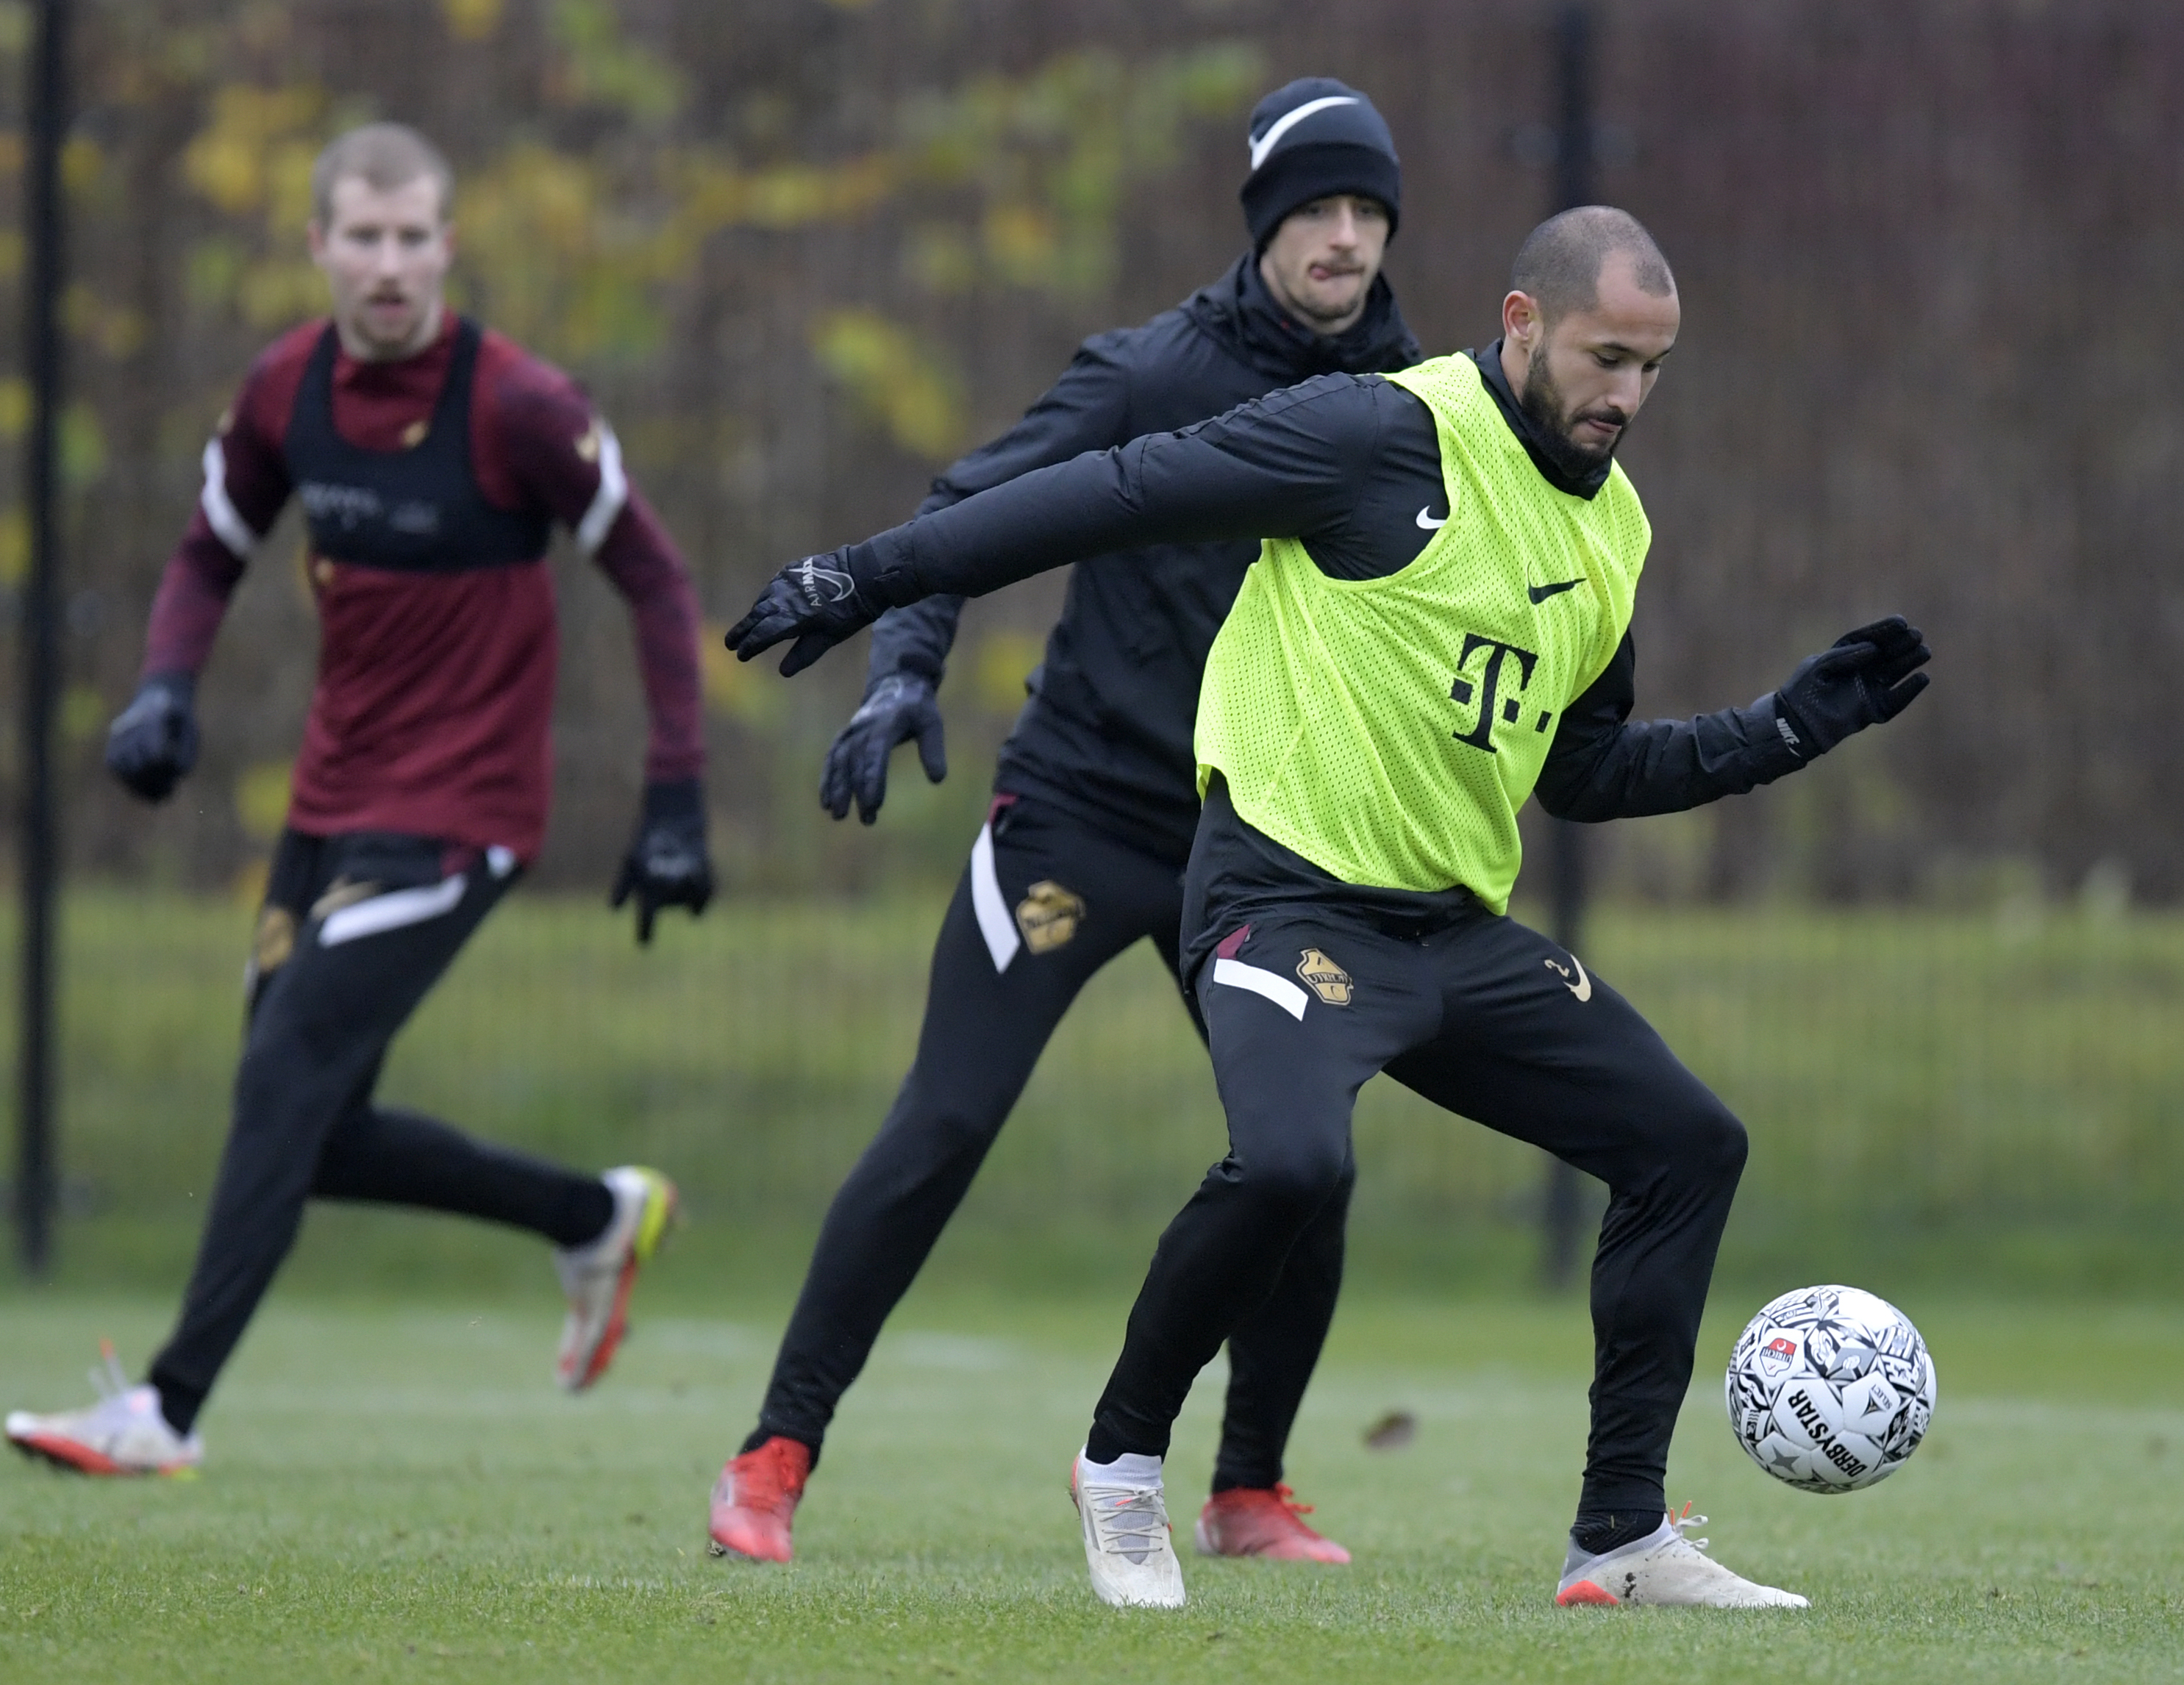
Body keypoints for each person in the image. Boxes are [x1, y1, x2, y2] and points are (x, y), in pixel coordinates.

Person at [727, 204, 1932, 1609]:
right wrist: (871, 575)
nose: (1627, 396)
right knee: (1293, 1164)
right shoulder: (1378, 434)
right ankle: (1122, 1466)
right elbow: (1114, 489)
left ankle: (1618, 1535)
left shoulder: (1615, 530)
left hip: (1450, 938)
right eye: (1607, 356)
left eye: (1654, 369)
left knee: (1689, 1145)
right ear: (1523, 321)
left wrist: (1781, 729)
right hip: (1279, 898)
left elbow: (1589, 771)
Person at [707, 78, 1421, 1568]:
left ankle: (1246, 1491)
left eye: (1368, 211)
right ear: (1262, 220)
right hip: (1078, 814)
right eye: (1317, 208)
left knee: (1302, 1155)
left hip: (1260, 846)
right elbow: (970, 506)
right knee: (946, 1120)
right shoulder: (1150, 369)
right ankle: (772, 1453)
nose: (1345, 238)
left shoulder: (1414, 403)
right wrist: (900, 671)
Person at [2, 124, 713, 1477]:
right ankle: (590, 1215)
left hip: (464, 815)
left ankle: (165, 1408)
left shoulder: (518, 406)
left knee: (280, 1080)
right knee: (310, 1133)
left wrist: (674, 790)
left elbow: (660, 581)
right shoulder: (287, 391)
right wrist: (165, 688)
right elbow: (206, 557)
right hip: (329, 806)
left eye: (411, 237)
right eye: (362, 237)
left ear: (448, 245)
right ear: (318, 245)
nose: (388, 264)